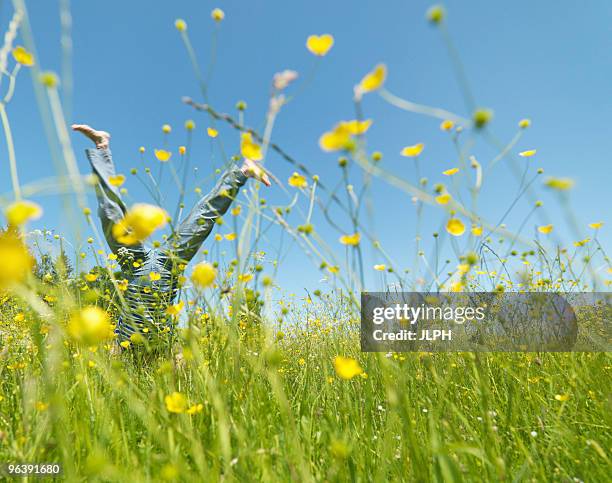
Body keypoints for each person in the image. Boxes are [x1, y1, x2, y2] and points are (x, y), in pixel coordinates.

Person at [72, 124, 270, 344]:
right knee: (201, 220)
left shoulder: (122, 349)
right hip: (167, 268)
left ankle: (102, 148)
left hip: (135, 264)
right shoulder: (162, 352)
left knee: (111, 214)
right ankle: (242, 172)